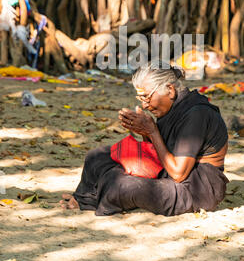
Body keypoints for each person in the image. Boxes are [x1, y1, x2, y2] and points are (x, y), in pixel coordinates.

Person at [60, 61, 229, 216]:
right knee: (97, 156)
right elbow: (159, 154)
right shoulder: (170, 106)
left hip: (195, 190)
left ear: (170, 90)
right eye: (141, 98)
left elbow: (178, 174)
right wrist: (145, 133)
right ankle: (84, 198)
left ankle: (92, 200)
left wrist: (152, 131)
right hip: (169, 173)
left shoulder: (197, 113)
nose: (144, 105)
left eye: (147, 97)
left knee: (123, 186)